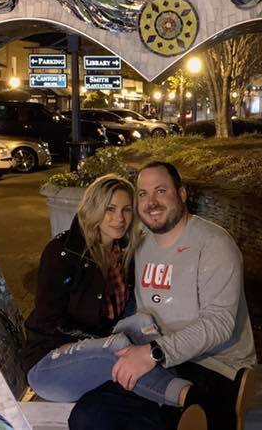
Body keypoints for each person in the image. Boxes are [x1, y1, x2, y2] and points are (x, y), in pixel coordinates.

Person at [69, 161, 257, 430]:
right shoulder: (140, 243)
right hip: (154, 361)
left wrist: (154, 352)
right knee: (88, 416)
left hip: (214, 364)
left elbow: (219, 323)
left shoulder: (213, 244)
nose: (150, 202)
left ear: (181, 194)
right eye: (143, 194)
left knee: (173, 420)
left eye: (160, 191)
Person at [22, 174, 210, 428]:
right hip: (51, 365)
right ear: (93, 209)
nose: (119, 219)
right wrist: (104, 339)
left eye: (126, 210)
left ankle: (178, 407)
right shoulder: (62, 254)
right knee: (119, 346)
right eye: (109, 209)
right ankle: (192, 399)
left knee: (143, 323)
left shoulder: (123, 254)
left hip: (101, 356)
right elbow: (48, 321)